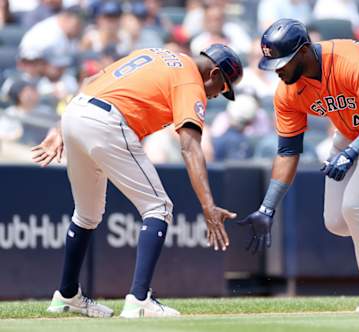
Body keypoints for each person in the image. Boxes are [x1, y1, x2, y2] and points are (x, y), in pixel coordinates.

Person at [31, 44, 243, 318]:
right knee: (159, 207)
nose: (217, 96)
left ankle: (67, 295)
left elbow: (89, 82)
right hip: (107, 122)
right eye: (223, 88)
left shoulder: (157, 53)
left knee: (86, 214)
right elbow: (190, 147)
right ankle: (140, 299)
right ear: (214, 73)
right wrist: (208, 206)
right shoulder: (191, 80)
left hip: (76, 113)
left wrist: (61, 127)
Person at [238, 19, 359, 313]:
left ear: (304, 51)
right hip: (350, 134)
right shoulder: (287, 92)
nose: (278, 71)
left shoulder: (348, 58)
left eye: (282, 63)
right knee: (337, 222)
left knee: (355, 208)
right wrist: (267, 207)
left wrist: (350, 153)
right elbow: (287, 152)